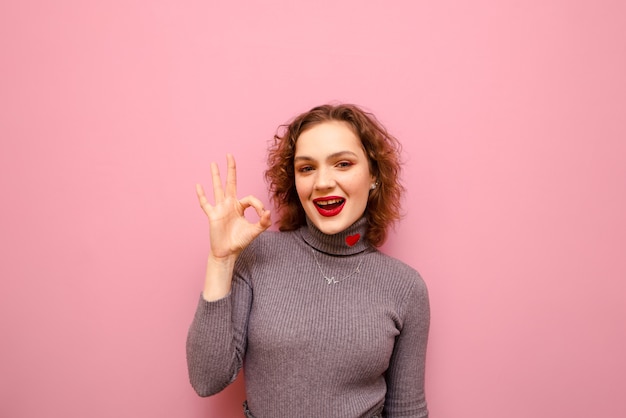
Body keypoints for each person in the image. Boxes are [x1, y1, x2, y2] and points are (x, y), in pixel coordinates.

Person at [186, 103, 430, 418]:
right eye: (307, 168)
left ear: (374, 176)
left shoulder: (405, 286)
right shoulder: (259, 256)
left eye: (342, 164)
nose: (323, 182)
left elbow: (407, 411)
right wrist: (221, 260)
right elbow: (208, 379)